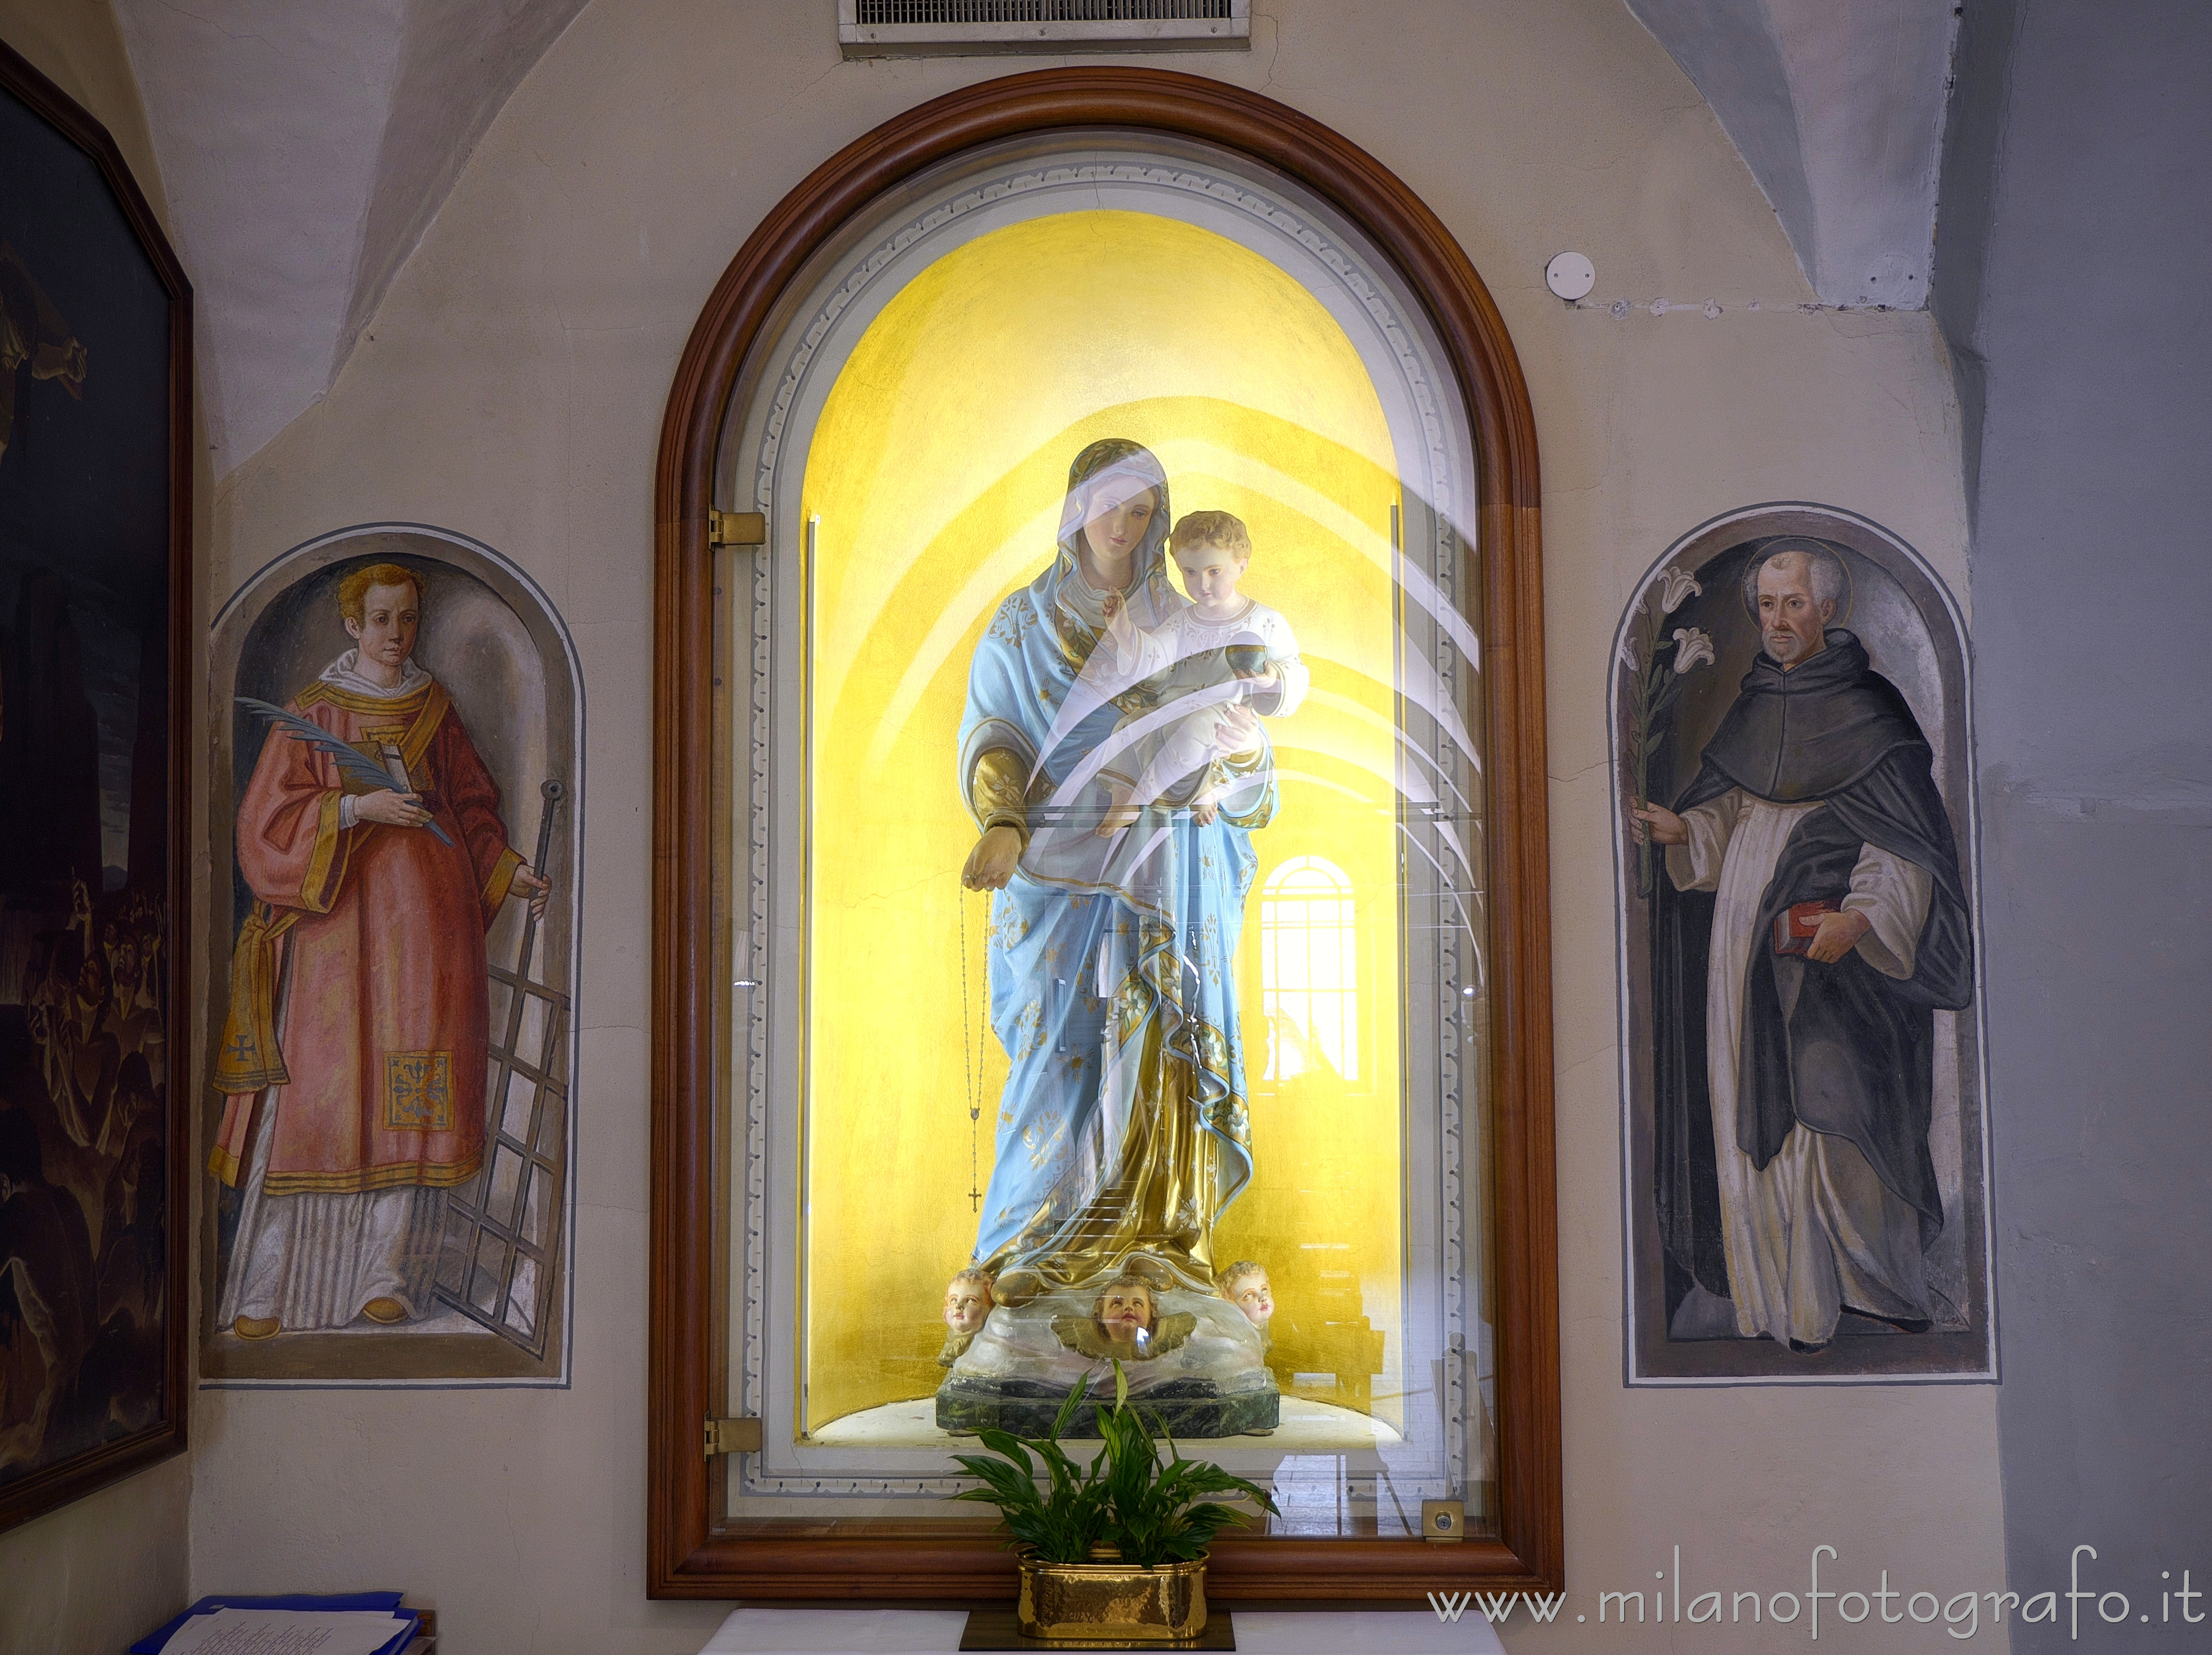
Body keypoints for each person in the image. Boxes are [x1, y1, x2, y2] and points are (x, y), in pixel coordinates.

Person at [1633, 541, 1973, 1352]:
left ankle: (1869, 1284)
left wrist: (1862, 920)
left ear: (1827, 610)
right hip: (1746, 941)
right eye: (1766, 606)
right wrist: (1691, 831)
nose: (1777, 620)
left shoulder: (1873, 711)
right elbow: (1735, 816)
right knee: (1757, 1106)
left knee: (1834, 1113)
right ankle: (1785, 1299)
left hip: (1847, 963)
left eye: (1792, 604)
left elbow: (1906, 846)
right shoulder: (1753, 707)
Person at [957, 441, 1275, 1308]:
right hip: (1060, 880)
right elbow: (995, 739)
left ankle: (1158, 1249)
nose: (1124, 526)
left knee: (1160, 1059)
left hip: (1168, 873)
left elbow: (1245, 752)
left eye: (1142, 511)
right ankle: (1033, 1243)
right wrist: (1003, 822)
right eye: (1109, 506)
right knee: (1060, 1055)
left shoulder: (1192, 623)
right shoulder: (1020, 626)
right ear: (1074, 508)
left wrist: (1247, 756)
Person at [210, 563, 549, 1338]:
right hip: (337, 943)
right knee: (320, 1107)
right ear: (354, 627)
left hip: (428, 945)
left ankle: (385, 1277)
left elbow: (470, 805)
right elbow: (263, 825)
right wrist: (356, 805)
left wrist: (510, 867)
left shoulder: (435, 709)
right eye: (383, 620)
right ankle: (272, 1288)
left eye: (408, 619)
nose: (398, 635)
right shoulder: (313, 713)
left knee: (410, 1108)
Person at [1083, 510, 1307, 834]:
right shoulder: (1182, 622)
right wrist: (1124, 632)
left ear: (1241, 565)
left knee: (1195, 733)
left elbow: (1295, 669)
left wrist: (1273, 678)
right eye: (1190, 571)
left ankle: (1153, 794)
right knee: (1128, 727)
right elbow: (1155, 656)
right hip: (1174, 710)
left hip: (1223, 715)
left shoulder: (1265, 621)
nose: (1201, 584)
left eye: (1214, 571)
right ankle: (1124, 800)